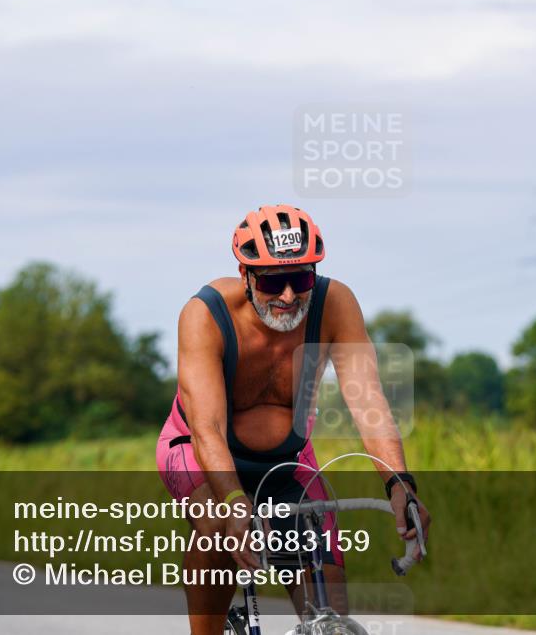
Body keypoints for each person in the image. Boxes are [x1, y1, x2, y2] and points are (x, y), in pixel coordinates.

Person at [157, 204, 431, 634]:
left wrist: (400, 483)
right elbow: (206, 427)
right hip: (198, 450)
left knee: (328, 604)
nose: (287, 296)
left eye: (301, 280)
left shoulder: (335, 304)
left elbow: (370, 403)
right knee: (216, 524)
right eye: (272, 281)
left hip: (289, 459)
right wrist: (234, 502)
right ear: (246, 274)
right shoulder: (206, 313)